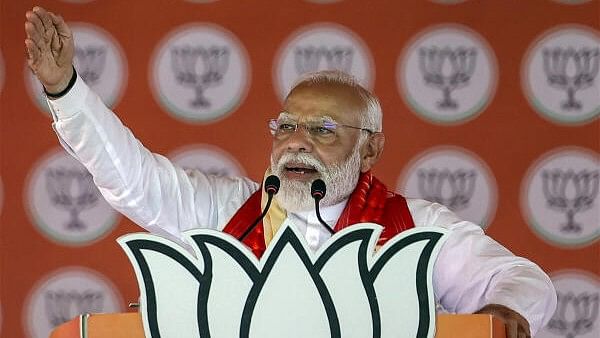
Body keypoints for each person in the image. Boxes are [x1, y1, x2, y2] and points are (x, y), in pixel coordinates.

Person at [25, 6, 555, 338]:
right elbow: (134, 180)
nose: (297, 142)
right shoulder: (228, 210)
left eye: (323, 130)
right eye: (286, 127)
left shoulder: (413, 226)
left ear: (369, 151)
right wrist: (66, 89)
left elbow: (522, 281)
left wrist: (504, 308)